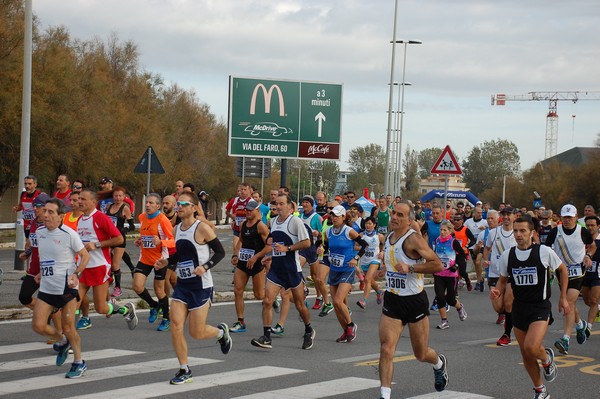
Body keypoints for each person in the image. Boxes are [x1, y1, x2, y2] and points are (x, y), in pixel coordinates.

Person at [154, 192, 231, 385]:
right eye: (177, 204)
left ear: (194, 208)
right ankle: (184, 369)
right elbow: (180, 255)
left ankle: (221, 333)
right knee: (176, 325)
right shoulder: (177, 229)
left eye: (182, 204)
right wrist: (166, 262)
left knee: (197, 332)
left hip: (201, 286)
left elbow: (220, 252)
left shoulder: (202, 228)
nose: (178, 207)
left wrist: (204, 267)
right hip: (183, 285)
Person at [490, 216, 570, 399]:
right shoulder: (508, 255)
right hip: (519, 308)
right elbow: (502, 281)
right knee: (526, 354)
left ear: (532, 233)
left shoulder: (544, 251)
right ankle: (540, 390)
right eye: (515, 231)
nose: (518, 234)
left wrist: (563, 297)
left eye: (522, 231)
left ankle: (547, 359)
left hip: (540, 306)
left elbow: (562, 270)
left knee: (532, 346)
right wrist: (497, 291)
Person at [378, 203, 448, 399]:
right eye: (393, 213)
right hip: (392, 299)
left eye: (400, 215)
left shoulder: (413, 240)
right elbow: (392, 265)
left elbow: (437, 264)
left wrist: (410, 269)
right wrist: (383, 272)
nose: (394, 217)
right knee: (386, 348)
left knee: (421, 354)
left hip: (414, 301)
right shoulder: (388, 238)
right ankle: (385, 395)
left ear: (409, 220)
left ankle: (439, 363)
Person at [32, 198, 90, 378]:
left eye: (51, 212)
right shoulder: (39, 232)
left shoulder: (69, 234)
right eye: (45, 211)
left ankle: (79, 362)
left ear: (60, 216)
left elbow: (84, 256)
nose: (46, 215)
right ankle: (62, 341)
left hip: (67, 287)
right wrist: (42, 273)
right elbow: (46, 257)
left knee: (68, 327)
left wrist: (77, 274)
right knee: (38, 325)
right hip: (47, 287)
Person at [250, 193, 315, 350]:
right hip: (277, 270)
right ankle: (266, 337)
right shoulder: (273, 221)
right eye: (275, 204)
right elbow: (277, 244)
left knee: (299, 305)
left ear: (290, 206)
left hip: (292, 269)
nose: (277, 207)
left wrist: (288, 248)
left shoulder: (295, 222)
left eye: (281, 204)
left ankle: (308, 330)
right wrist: (271, 256)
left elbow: (307, 243)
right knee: (267, 301)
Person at [76, 189, 138, 330]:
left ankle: (126, 310)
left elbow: (119, 239)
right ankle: (68, 339)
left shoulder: (100, 218)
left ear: (93, 202)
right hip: (83, 267)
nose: (79, 202)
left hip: (99, 266)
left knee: (101, 308)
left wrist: (97, 244)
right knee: (73, 302)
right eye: (79, 199)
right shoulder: (80, 219)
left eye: (83, 199)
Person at [545, 204, 595, 354]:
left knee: (569, 301)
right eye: (565, 217)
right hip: (562, 273)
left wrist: (588, 256)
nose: (567, 220)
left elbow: (592, 246)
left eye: (570, 217)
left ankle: (565, 339)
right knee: (570, 304)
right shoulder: (555, 232)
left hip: (578, 272)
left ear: (575, 216)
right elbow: (546, 250)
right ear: (561, 217)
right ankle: (580, 325)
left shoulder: (582, 231)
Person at [321, 205, 368, 342]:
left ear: (343, 217)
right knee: (336, 306)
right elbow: (326, 247)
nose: (333, 218)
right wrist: (322, 250)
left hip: (347, 269)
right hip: (334, 269)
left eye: (336, 215)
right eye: (332, 215)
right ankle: (345, 331)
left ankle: (351, 325)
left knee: (337, 300)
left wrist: (356, 258)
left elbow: (364, 245)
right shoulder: (328, 232)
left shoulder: (349, 231)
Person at [133, 193, 175, 332]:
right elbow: (144, 234)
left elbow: (173, 241)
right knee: (137, 286)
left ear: (158, 206)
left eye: (151, 203)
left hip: (159, 260)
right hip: (144, 258)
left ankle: (166, 319)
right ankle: (153, 305)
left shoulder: (163, 220)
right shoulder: (142, 217)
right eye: (147, 203)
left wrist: (161, 242)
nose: (147, 205)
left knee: (159, 290)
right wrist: (140, 240)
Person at [230, 199, 269, 333]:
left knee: (259, 295)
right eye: (246, 210)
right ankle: (240, 322)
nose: (247, 212)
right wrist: (235, 255)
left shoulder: (261, 226)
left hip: (256, 262)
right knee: (237, 291)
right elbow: (240, 241)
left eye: (250, 210)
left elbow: (269, 246)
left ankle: (271, 300)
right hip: (243, 262)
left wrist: (256, 257)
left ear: (257, 211)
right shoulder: (243, 225)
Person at [483, 207, 517, 344]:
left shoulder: (518, 233)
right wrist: (486, 259)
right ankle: (507, 315)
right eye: (504, 215)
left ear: (514, 216)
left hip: (512, 273)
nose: (507, 217)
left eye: (509, 214)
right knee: (498, 307)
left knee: (508, 304)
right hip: (495, 272)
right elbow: (487, 248)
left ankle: (506, 334)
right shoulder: (493, 232)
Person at [433, 221, 468, 329]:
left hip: (451, 275)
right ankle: (444, 321)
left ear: (450, 231)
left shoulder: (453, 242)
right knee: (439, 297)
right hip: (439, 273)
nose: (442, 232)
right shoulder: (437, 241)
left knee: (451, 299)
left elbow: (462, 254)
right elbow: (434, 254)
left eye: (445, 230)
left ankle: (459, 307)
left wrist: (456, 265)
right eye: (441, 230)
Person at [104, 186, 135, 297]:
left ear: (123, 197)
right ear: (113, 197)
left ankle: (118, 288)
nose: (118, 198)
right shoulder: (109, 206)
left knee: (115, 264)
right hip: (109, 238)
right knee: (107, 262)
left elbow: (132, 226)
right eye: (116, 195)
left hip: (119, 239)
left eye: (120, 196)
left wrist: (124, 229)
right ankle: (109, 280)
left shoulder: (125, 208)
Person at [356, 216, 384, 310]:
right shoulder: (360, 235)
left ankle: (363, 301)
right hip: (364, 261)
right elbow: (355, 247)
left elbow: (385, 245)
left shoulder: (379, 236)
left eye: (370, 224)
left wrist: (382, 252)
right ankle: (379, 292)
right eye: (366, 223)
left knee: (367, 279)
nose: (367, 225)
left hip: (375, 259)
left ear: (374, 225)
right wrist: (362, 248)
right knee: (371, 281)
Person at [582, 215, 600, 335]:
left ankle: (588, 327)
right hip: (584, 274)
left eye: (592, 225)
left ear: (598, 226)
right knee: (587, 301)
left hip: (598, 274)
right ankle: (597, 308)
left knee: (593, 300)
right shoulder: (582, 239)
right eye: (587, 225)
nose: (590, 228)